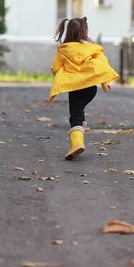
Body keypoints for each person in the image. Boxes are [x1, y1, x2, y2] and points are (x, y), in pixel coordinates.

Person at [48, 17, 120, 160]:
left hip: (75, 88)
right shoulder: (92, 48)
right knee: (79, 110)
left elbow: (55, 68)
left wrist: (64, 76)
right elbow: (102, 64)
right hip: (90, 88)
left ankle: (77, 144)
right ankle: (80, 128)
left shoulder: (63, 50)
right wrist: (105, 81)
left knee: (75, 115)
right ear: (85, 31)